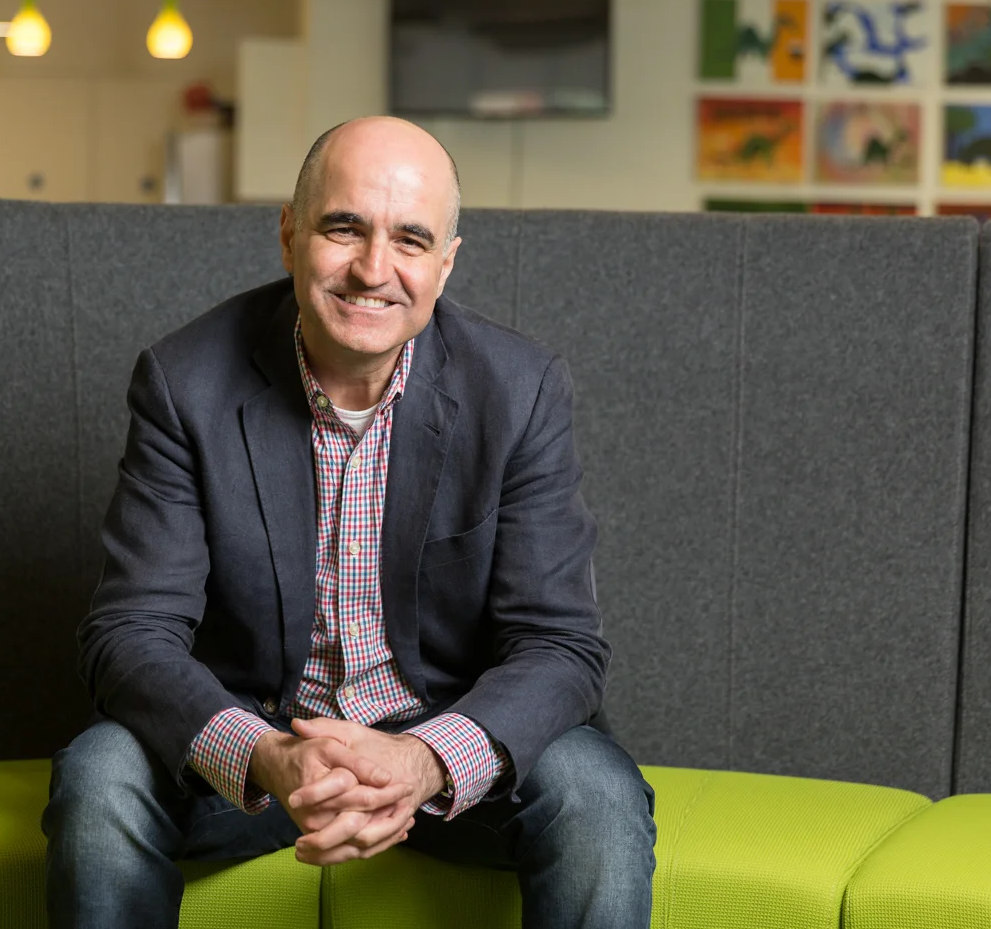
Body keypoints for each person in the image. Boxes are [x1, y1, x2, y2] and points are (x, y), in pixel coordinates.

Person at [42, 116, 656, 928]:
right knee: (100, 779)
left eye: (410, 239)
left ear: (446, 263)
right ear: (290, 234)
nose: (374, 269)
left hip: (450, 750)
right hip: (260, 749)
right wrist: (268, 757)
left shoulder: (519, 389)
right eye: (344, 228)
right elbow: (129, 634)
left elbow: (561, 646)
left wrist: (426, 761)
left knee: (599, 796)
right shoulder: (184, 383)